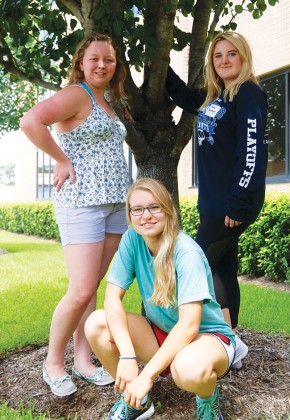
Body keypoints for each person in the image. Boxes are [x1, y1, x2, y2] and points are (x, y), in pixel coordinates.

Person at [20, 32, 129, 396]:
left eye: (109, 60)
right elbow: (30, 121)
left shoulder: (108, 99)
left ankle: (83, 362)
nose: (102, 65)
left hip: (114, 205)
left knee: (92, 289)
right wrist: (62, 159)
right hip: (82, 203)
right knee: (81, 290)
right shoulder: (76, 94)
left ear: (116, 65)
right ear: (81, 62)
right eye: (95, 58)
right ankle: (53, 364)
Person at [85, 177, 236, 420]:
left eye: (154, 207)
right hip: (161, 333)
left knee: (188, 369)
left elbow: (189, 325)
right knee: (96, 323)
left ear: (168, 211)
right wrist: (126, 355)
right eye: (137, 209)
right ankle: (137, 402)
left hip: (207, 338)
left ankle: (207, 401)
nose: (146, 216)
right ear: (130, 214)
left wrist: (146, 376)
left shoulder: (186, 252)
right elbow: (112, 298)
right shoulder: (132, 239)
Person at [165, 31, 268, 368]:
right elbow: (182, 96)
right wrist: (158, 65)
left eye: (231, 54)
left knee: (196, 268)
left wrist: (238, 202)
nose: (224, 60)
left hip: (233, 203)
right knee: (222, 270)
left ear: (243, 58)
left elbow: (251, 152)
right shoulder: (215, 97)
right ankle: (231, 340)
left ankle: (219, 341)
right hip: (213, 202)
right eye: (218, 55)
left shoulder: (248, 94)